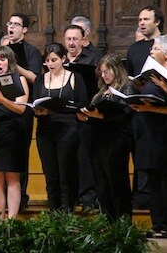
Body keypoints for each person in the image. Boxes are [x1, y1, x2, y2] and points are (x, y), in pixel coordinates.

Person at [125, 5, 167, 210]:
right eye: (139, 19)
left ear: (157, 22)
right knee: (144, 162)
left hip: (164, 119)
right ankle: (144, 201)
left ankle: (165, 216)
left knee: (164, 169)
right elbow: (130, 78)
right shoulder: (134, 48)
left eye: (146, 19)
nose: (141, 23)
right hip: (142, 114)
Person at [131, 35, 167, 238]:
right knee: (153, 180)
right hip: (149, 134)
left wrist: (149, 108)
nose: (151, 51)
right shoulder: (154, 75)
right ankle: (158, 224)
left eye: (156, 48)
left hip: (164, 136)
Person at [76, 54, 134, 221]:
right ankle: (108, 221)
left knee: (117, 182)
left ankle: (122, 222)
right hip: (100, 141)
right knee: (102, 184)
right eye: (101, 72)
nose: (104, 75)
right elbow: (96, 116)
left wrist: (100, 116)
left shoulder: (126, 87)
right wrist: (87, 118)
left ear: (116, 70)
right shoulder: (102, 92)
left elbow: (126, 113)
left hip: (118, 141)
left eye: (107, 71)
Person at [33, 43, 87, 212]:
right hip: (45, 129)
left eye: (54, 60)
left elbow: (82, 102)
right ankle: (53, 213)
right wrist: (38, 111)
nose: (50, 64)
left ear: (63, 59)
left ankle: (67, 213)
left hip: (67, 128)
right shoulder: (40, 79)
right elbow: (34, 103)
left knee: (66, 173)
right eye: (47, 60)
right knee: (51, 174)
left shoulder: (75, 77)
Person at [0, 46, 30, 219]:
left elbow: (20, 109)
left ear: (10, 61)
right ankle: (0, 219)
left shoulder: (20, 79)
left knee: (12, 178)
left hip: (14, 131)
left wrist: (2, 100)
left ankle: (11, 220)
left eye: (2, 59)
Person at [1, 13, 42, 209]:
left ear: (24, 30)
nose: (12, 27)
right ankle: (2, 198)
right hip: (1, 105)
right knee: (1, 152)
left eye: (16, 24)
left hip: (23, 107)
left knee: (19, 152)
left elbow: (35, 78)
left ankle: (21, 197)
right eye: (10, 23)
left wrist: (15, 66)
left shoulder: (31, 51)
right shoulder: (2, 50)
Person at [63, 24, 102, 208]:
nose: (71, 43)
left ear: (82, 40)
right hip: (64, 116)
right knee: (67, 158)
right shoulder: (58, 60)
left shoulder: (93, 58)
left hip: (85, 115)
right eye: (68, 39)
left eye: (75, 39)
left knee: (85, 157)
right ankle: (71, 197)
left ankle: (88, 198)